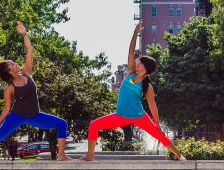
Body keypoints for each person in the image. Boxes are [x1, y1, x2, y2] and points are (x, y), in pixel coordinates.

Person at [80, 21, 186, 161]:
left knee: (159, 135)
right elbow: (130, 52)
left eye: (140, 62)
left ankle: (180, 156)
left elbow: (152, 106)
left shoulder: (147, 85)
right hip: (120, 115)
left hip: (139, 116)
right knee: (94, 125)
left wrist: (157, 124)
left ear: (146, 68)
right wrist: (135, 33)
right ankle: (90, 156)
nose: (137, 62)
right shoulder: (130, 73)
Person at [0, 21, 72, 161]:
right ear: (10, 71)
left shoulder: (27, 74)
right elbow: (6, 110)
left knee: (62, 124)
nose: (16, 63)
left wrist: (24, 33)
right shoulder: (10, 88)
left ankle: (61, 156)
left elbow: (29, 50)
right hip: (16, 116)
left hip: (35, 115)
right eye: (12, 63)